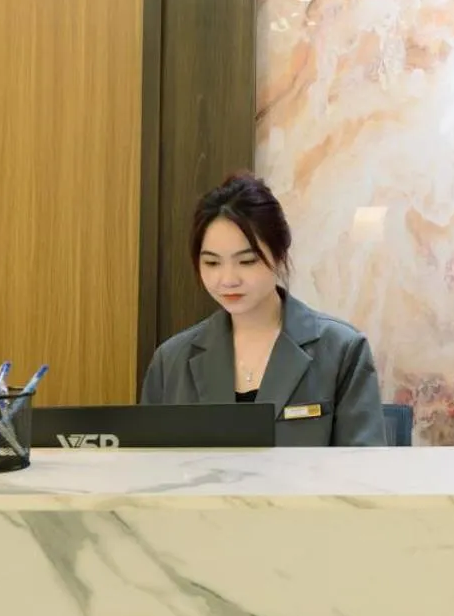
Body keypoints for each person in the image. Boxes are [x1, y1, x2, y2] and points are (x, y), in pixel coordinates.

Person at [142, 172, 385, 446]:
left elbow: (362, 474)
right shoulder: (171, 361)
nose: (228, 279)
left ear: (279, 256)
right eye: (212, 263)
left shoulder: (342, 351)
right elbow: (151, 473)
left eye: (246, 262)